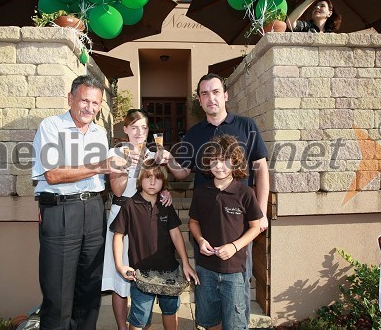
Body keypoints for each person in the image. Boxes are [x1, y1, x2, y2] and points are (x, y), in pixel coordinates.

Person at [165, 73, 270, 323]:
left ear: (225, 95)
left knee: (239, 285)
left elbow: (261, 169)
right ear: (199, 101)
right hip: (206, 224)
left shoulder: (246, 126)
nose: (210, 98)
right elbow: (181, 174)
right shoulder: (194, 133)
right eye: (204, 94)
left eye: (215, 92)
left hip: (240, 224)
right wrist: (167, 159)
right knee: (208, 288)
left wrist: (262, 212)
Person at [32, 75, 127, 330]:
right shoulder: (52, 127)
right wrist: (101, 166)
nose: (90, 108)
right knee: (59, 294)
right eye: (85, 100)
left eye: (95, 103)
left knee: (89, 291)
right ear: (71, 99)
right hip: (61, 211)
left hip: (95, 210)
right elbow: (53, 174)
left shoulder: (99, 132)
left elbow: (108, 176)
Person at [101, 109, 172, 330]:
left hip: (145, 221)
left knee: (144, 275)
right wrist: (130, 166)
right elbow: (119, 190)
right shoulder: (118, 152)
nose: (139, 132)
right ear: (126, 129)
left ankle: (142, 324)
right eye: (134, 127)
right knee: (120, 279)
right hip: (121, 217)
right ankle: (123, 328)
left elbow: (157, 184)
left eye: (143, 127)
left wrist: (164, 193)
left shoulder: (154, 155)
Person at [110, 159, 199, 330]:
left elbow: (176, 234)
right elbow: (118, 235)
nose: (152, 182)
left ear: (163, 183)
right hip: (141, 274)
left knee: (170, 311)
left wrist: (186, 263)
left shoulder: (165, 204)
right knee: (139, 318)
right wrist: (120, 265)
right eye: (148, 177)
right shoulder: (129, 205)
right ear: (139, 179)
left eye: (157, 178)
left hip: (169, 271)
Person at [189, 134, 262, 329]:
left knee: (235, 323)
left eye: (224, 160)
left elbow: (255, 228)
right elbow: (193, 222)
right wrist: (200, 239)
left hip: (234, 272)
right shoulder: (201, 192)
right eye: (214, 160)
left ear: (235, 161)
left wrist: (234, 246)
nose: (219, 166)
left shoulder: (245, 193)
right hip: (206, 269)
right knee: (209, 320)